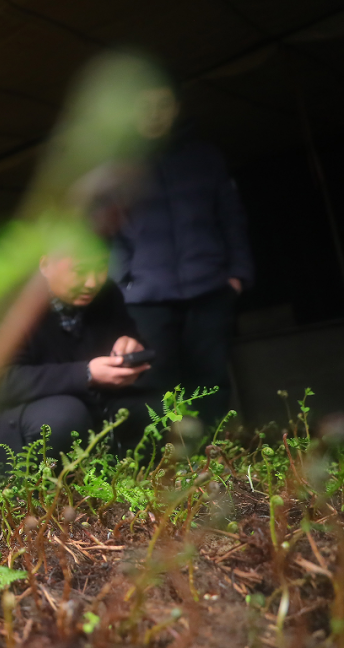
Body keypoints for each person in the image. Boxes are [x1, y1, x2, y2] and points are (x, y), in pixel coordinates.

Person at [110, 81, 254, 423]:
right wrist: (123, 280)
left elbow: (231, 217)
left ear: (176, 108)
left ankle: (214, 459)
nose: (154, 113)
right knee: (154, 382)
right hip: (146, 296)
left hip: (210, 286)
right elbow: (107, 231)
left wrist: (238, 274)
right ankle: (165, 466)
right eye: (144, 105)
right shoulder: (118, 166)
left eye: (163, 104)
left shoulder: (205, 157)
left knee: (210, 379)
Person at [0, 248, 152, 478]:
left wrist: (131, 347)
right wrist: (86, 373)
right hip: (24, 414)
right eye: (80, 271)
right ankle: (25, 492)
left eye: (101, 268)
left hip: (95, 402)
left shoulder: (106, 294)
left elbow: (132, 341)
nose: (92, 282)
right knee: (64, 416)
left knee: (156, 408)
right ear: (45, 265)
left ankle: (123, 479)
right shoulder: (11, 306)